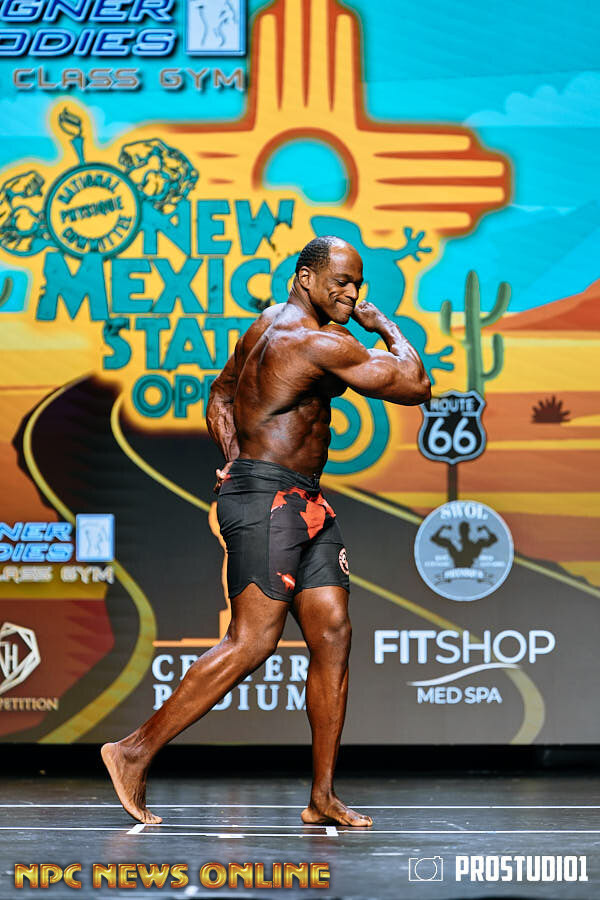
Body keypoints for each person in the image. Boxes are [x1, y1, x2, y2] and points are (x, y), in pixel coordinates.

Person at [102, 235, 431, 827]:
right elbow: (414, 385)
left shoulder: (263, 326)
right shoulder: (316, 340)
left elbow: (221, 393)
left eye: (359, 285)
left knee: (332, 631)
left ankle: (322, 797)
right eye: (341, 283)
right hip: (268, 499)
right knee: (252, 641)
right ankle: (133, 751)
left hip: (299, 497)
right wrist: (383, 323)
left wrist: (233, 459)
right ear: (305, 277)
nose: (352, 294)